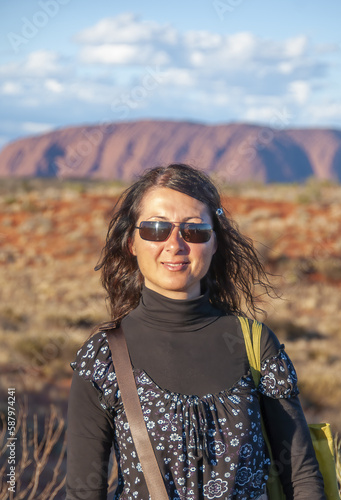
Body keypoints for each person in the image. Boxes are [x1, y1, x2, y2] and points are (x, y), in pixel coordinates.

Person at [66, 163, 325, 499]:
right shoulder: (103, 358)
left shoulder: (254, 344)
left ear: (214, 242)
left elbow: (301, 477)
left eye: (194, 231)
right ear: (132, 241)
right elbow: (84, 492)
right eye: (157, 229)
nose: (175, 245)